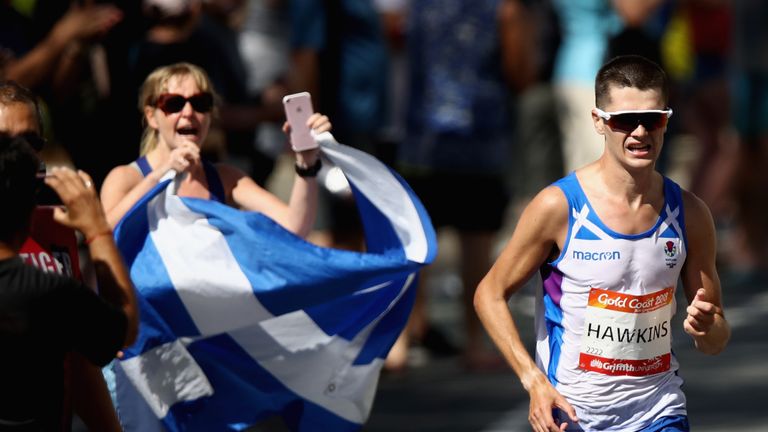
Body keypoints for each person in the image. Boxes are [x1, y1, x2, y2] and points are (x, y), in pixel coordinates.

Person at [474, 55, 730, 431]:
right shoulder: (559, 207)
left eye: (653, 119)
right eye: (624, 120)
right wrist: (534, 381)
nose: (640, 132)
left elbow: (715, 339)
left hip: (659, 411)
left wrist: (708, 327)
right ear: (599, 121)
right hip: (575, 417)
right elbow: (489, 294)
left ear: (667, 121)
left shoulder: (689, 213)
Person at [0, 80, 125, 431]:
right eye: (3, 142)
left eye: (29, 142)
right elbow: (123, 329)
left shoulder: (57, 223)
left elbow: (80, 356)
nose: (18, 155)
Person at [100, 62, 328, 235]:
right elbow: (102, 237)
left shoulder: (226, 179)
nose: (188, 112)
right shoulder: (126, 178)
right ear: (151, 116)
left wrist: (306, 163)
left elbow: (294, 226)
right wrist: (161, 174)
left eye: (200, 103)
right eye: (174, 104)